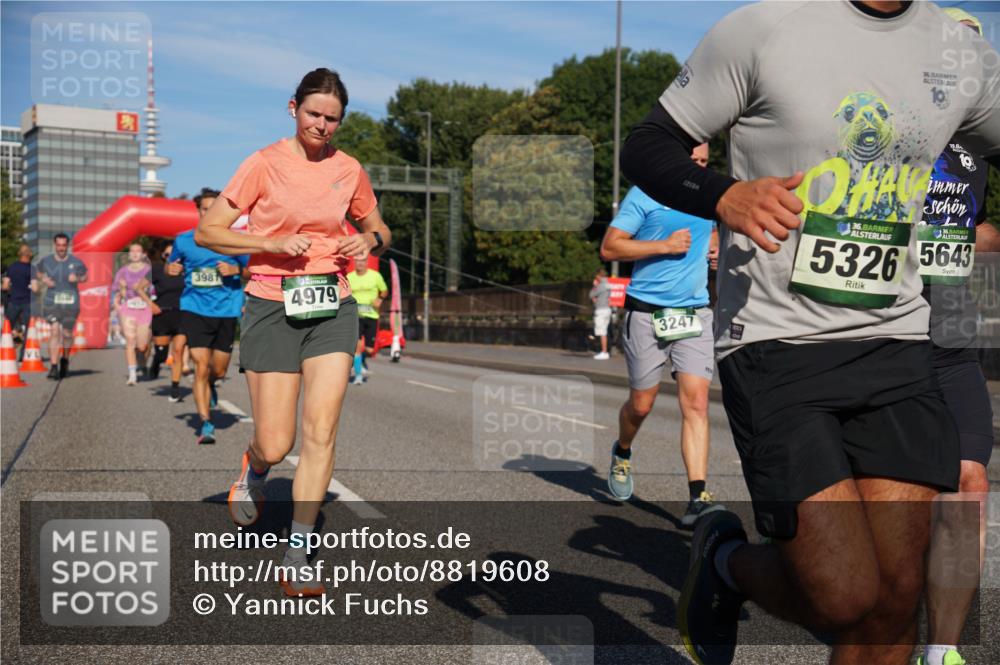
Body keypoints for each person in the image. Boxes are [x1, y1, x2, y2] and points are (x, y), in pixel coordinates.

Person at [620, 2, 1000, 664]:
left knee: (894, 598)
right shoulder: (764, 28)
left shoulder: (956, 48)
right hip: (776, 339)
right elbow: (647, 144)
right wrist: (722, 195)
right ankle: (728, 562)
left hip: (897, 338)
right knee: (841, 594)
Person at [194, 68, 390, 596]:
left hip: (333, 304)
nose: (322, 125)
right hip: (271, 305)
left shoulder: (349, 169)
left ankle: (298, 553)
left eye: (332, 119)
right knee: (277, 443)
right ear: (292, 108)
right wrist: (271, 243)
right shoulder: (263, 164)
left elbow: (379, 228)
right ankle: (254, 468)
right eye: (313, 114)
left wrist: (367, 241)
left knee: (321, 431)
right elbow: (208, 231)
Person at [918, 11, 999, 665]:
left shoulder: (979, 146)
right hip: (876, 335)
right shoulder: (891, 124)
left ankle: (941, 648)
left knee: (969, 483)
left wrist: (981, 238)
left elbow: (977, 228)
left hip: (951, 337)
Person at [600, 143, 723, 528]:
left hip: (694, 312)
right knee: (641, 405)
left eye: (704, 161)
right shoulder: (645, 193)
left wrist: (715, 248)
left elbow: (713, 232)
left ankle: (698, 496)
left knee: (697, 402)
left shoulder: (708, 194)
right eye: (693, 160)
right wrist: (664, 246)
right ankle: (623, 451)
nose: (699, 167)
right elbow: (610, 247)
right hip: (646, 312)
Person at [170, 188, 249, 443]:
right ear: (198, 211)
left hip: (226, 310)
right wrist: (172, 269)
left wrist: (236, 270)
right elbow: (173, 265)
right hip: (194, 308)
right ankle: (206, 422)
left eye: (214, 208)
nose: (209, 213)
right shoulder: (184, 240)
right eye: (205, 209)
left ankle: (213, 383)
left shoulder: (234, 240)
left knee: (219, 369)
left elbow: (253, 271)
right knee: (200, 367)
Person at [36, 233, 88, 380]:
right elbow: (37, 272)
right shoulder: (46, 260)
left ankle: (64, 359)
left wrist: (77, 278)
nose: (61, 248)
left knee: (67, 334)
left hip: (71, 303)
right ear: (55, 245)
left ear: (67, 245)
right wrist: (44, 279)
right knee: (54, 332)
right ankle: (53, 366)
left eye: (64, 245)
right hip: (52, 302)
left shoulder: (76, 262)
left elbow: (85, 276)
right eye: (58, 245)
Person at [111, 243, 154, 385]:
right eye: (132, 251)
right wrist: (121, 291)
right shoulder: (122, 271)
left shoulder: (149, 270)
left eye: (138, 251)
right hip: (128, 308)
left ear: (143, 254)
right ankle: (132, 375)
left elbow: (156, 290)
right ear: (129, 255)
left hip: (145, 308)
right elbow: (116, 291)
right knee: (130, 341)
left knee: (142, 345)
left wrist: (146, 288)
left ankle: (142, 361)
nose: (135, 254)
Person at [148, 239, 186, 391]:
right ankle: (156, 362)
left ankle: (175, 387)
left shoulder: (187, 269)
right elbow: (138, 288)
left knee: (178, 351)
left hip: (182, 314)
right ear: (163, 255)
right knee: (162, 355)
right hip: (162, 314)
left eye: (174, 255)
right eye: (167, 255)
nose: (171, 258)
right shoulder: (157, 269)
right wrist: (150, 304)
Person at [346, 258, 388, 385]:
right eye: (358, 261)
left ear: (366, 263)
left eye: (363, 261)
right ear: (354, 263)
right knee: (357, 348)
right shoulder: (350, 277)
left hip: (372, 316)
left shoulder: (375, 276)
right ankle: (358, 376)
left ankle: (361, 361)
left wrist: (380, 299)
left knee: (369, 350)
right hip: (355, 317)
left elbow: (385, 290)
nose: (360, 263)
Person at [2, 244, 34, 352]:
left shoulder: (12, 267)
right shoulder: (32, 269)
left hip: (13, 301)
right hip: (27, 302)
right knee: (29, 329)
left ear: (19, 254)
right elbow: (36, 288)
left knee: (7, 327)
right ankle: (24, 354)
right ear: (29, 254)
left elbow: (5, 286)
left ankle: (3, 351)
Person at [589, 268, 612, 360]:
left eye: (596, 276)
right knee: (604, 331)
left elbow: (591, 295)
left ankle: (604, 352)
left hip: (601, 310)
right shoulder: (608, 284)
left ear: (599, 275)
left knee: (601, 332)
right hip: (607, 309)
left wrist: (594, 286)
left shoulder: (600, 285)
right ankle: (603, 350)